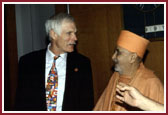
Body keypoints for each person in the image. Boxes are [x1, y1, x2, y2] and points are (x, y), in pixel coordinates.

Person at [14, 13, 94, 111]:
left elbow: (86, 105)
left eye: (75, 33)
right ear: (53, 34)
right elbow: (21, 103)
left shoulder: (82, 64)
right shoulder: (28, 62)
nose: (75, 38)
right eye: (69, 33)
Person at [93, 30, 164, 111]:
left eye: (118, 53)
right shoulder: (115, 76)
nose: (113, 57)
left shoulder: (152, 83)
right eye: (114, 52)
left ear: (132, 58)